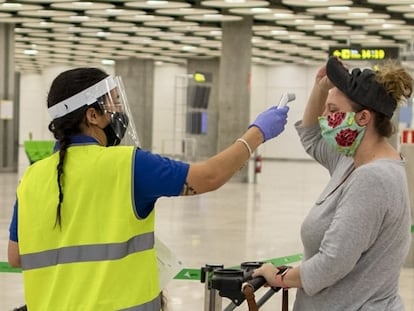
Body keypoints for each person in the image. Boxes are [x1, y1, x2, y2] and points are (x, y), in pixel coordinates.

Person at [7, 67, 289, 311]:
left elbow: (16, 256)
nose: (119, 113)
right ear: (93, 115)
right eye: (113, 105)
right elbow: (210, 176)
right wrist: (258, 133)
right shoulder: (128, 165)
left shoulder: (32, 178)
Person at [253, 56, 413, 310]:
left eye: (333, 111)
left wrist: (280, 278)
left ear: (363, 118)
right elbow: (311, 137)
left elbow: (333, 262)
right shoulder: (352, 161)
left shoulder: (373, 179)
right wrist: (321, 88)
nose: (324, 117)